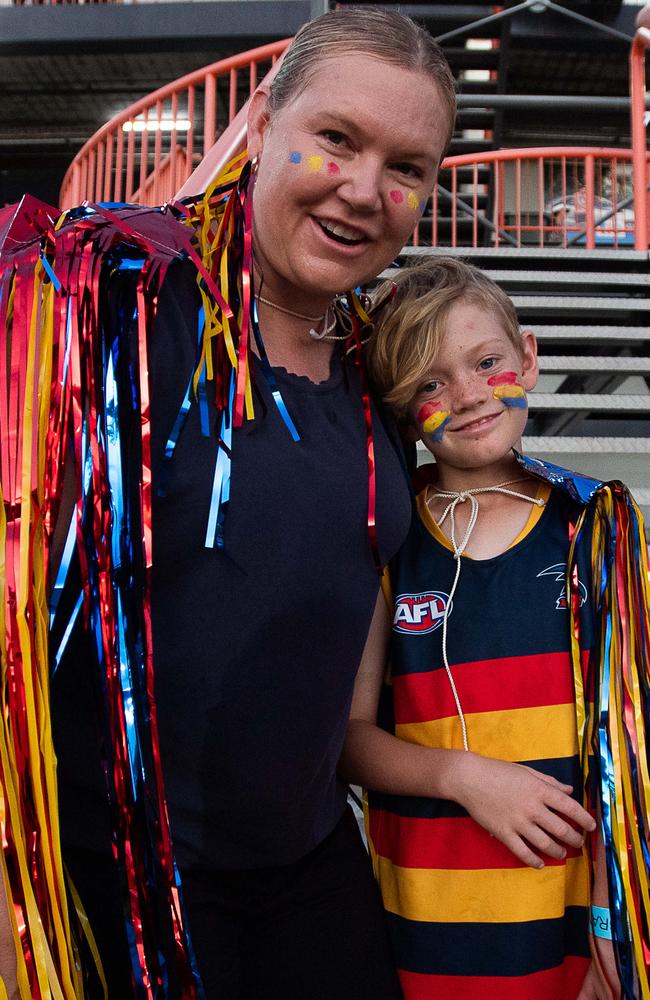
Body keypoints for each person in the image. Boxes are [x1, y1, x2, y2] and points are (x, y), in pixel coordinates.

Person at [0, 7, 458, 999]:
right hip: (109, 882)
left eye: (407, 167)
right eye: (335, 138)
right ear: (258, 121)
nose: (363, 190)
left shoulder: (380, 372)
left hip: (304, 869)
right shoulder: (103, 309)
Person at [339, 256, 649, 999]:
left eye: (487, 363)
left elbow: (628, 739)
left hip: (568, 918)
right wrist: (465, 777)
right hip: (418, 920)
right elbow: (346, 740)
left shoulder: (595, 526)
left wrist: (615, 915)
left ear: (529, 357)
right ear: (397, 406)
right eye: (430, 383)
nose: (470, 396)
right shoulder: (385, 535)